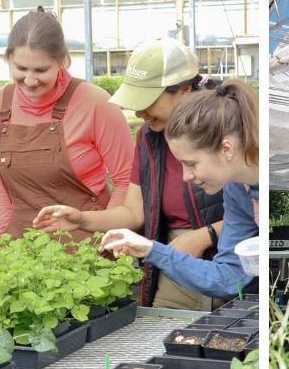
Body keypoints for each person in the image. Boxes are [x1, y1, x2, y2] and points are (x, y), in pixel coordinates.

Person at [32, 39, 226, 310]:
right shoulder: (149, 138)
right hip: (173, 269)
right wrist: (81, 219)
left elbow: (254, 213)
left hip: (231, 259)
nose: (138, 112)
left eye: (148, 101)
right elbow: (135, 213)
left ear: (183, 91)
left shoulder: (229, 130)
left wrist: (205, 235)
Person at [99, 80, 259, 299]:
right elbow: (230, 278)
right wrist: (150, 249)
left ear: (226, 149)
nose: (186, 176)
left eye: (191, 164)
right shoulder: (236, 189)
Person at [0, 8, 133, 241]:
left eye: (41, 70)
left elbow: (126, 180)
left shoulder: (95, 103)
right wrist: (3, 234)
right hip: (20, 252)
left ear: (62, 61)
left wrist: (109, 238)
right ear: (8, 59)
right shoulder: (0, 104)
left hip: (87, 249)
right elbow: (0, 179)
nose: (30, 80)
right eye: (20, 68)